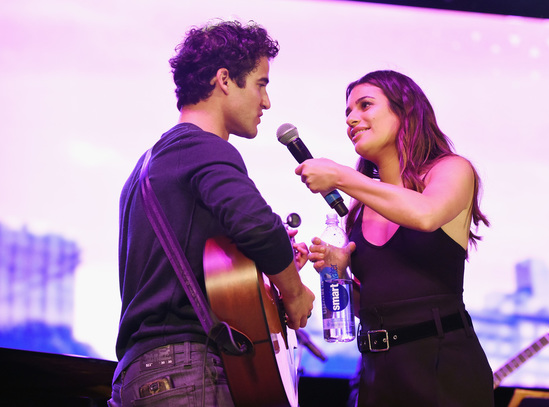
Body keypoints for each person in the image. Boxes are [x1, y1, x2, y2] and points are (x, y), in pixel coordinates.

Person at [109, 20, 314, 407]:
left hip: (144, 373)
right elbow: (257, 226)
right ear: (224, 80)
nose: (267, 102)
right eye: (261, 84)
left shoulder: (148, 166)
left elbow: (182, 270)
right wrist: (294, 291)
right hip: (185, 373)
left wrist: (254, 267)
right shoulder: (206, 148)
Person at [296, 70, 494, 406]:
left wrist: (341, 176)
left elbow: (426, 214)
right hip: (377, 374)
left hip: (443, 366)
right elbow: (373, 306)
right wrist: (338, 273)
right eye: (347, 113)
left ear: (404, 111)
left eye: (365, 105)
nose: (352, 119)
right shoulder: (359, 207)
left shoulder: (449, 170)